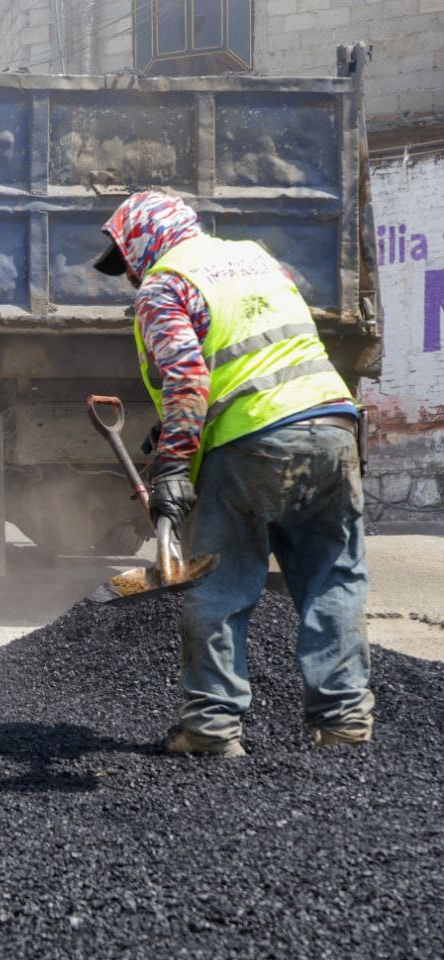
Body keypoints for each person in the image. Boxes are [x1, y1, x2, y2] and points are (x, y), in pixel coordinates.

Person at [93, 190, 373, 758]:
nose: (129, 276)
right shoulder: (260, 260)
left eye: (127, 261)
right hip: (333, 429)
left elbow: (188, 377)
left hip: (251, 444)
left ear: (147, 242)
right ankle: (343, 724)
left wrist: (172, 464)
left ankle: (211, 730)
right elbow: (256, 352)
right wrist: (172, 430)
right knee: (333, 578)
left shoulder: (164, 285)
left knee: (220, 583)